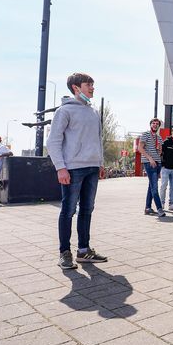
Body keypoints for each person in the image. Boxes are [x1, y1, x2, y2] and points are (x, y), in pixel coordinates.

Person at [47, 72, 108, 270]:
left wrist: (100, 163)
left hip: (91, 168)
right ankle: (65, 253)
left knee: (87, 209)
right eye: (88, 84)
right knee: (68, 210)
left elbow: (97, 140)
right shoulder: (64, 112)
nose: (92, 88)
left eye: (93, 84)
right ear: (76, 87)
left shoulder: (93, 112)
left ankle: (84, 251)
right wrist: (60, 168)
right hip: (72, 169)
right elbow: (53, 141)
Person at [138, 118, 166, 217]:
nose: (155, 125)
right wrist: (150, 159)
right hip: (149, 163)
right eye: (153, 123)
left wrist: (159, 150)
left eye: (157, 124)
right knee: (154, 187)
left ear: (158, 126)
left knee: (151, 186)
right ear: (150, 125)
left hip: (158, 163)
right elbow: (140, 148)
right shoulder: (145, 134)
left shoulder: (159, 138)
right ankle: (159, 208)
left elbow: (160, 152)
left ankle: (148, 208)